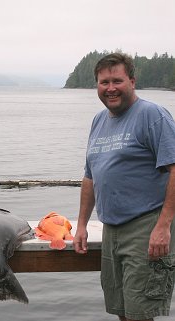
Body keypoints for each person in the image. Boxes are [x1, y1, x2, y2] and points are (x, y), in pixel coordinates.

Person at [74, 52, 175, 321]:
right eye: (103, 82)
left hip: (145, 226)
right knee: (121, 311)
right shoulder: (98, 120)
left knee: (139, 314)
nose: (110, 88)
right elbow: (90, 176)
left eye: (117, 81)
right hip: (111, 228)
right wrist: (82, 224)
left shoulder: (152, 115)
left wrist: (164, 226)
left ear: (132, 81)